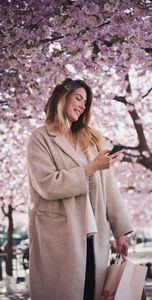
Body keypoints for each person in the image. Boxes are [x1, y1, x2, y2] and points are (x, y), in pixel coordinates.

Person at [26, 78, 133, 300]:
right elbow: (47, 184)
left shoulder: (92, 139)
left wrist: (120, 230)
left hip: (94, 234)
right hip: (58, 234)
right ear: (62, 97)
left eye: (86, 102)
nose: (83, 106)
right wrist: (91, 168)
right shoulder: (40, 138)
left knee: (89, 293)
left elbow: (109, 187)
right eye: (78, 98)